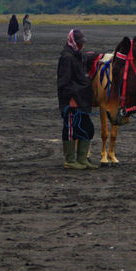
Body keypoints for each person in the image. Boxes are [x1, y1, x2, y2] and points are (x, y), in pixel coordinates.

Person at [56, 28, 98, 170]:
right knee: (70, 129)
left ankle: (82, 159)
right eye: (79, 42)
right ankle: (70, 160)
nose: (81, 45)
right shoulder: (67, 57)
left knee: (87, 128)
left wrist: (102, 55)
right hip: (71, 102)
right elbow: (63, 82)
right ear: (73, 42)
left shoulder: (78, 55)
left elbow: (87, 57)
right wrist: (70, 99)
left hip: (82, 100)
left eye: (82, 42)